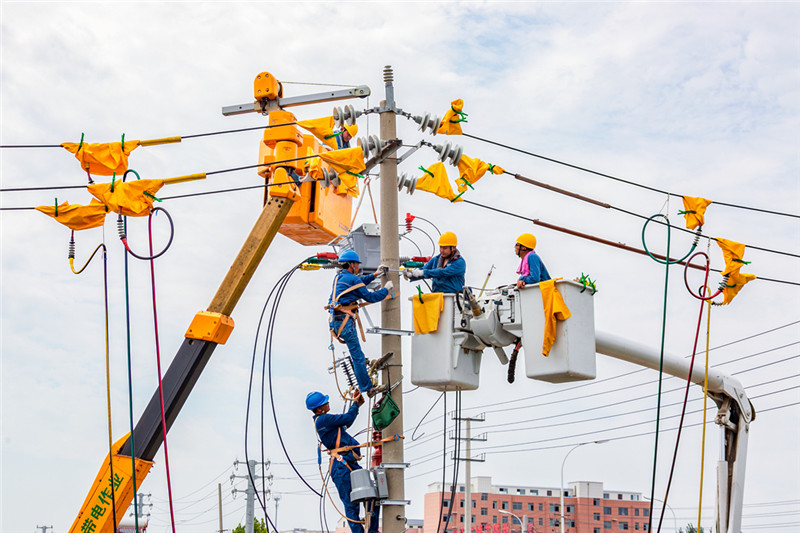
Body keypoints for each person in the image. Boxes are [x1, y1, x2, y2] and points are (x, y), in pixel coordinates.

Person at [307, 391, 379, 533]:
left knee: (371, 496)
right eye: (325, 403)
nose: (328, 403)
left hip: (347, 463)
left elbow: (347, 421)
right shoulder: (323, 420)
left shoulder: (327, 422)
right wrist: (355, 403)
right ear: (319, 408)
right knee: (351, 504)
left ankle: (373, 531)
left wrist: (356, 406)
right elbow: (347, 417)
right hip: (341, 466)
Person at [329, 249, 392, 397]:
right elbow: (370, 297)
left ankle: (365, 365)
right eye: (356, 264)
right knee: (356, 356)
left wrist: (375, 275)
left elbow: (358, 283)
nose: (358, 267)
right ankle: (368, 388)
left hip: (336, 322)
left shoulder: (339, 278)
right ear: (351, 265)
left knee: (357, 355)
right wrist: (386, 290)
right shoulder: (352, 279)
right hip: (345, 322)